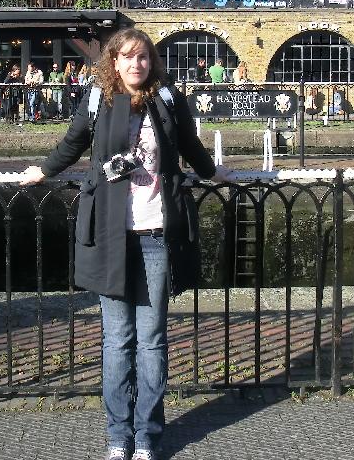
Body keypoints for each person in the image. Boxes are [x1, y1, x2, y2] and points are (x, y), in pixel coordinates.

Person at [18, 28, 230, 460]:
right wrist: (43, 170)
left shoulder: (167, 98)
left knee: (151, 340)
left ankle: (147, 435)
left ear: (152, 61)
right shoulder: (98, 98)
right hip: (109, 235)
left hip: (156, 233)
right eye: (129, 57)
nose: (137, 64)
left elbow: (189, 145)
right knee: (117, 340)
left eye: (144, 57)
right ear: (114, 62)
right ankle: (118, 436)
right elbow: (73, 142)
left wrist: (212, 172)